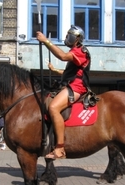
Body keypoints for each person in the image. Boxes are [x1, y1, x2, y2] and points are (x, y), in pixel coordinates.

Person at [36, 25, 91, 159]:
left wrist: (45, 41)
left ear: (77, 39)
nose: (67, 38)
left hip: (77, 87)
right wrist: (55, 70)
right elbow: (69, 73)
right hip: (69, 84)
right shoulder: (75, 51)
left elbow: (62, 56)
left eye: (70, 35)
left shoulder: (81, 51)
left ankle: (60, 149)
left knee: (54, 107)